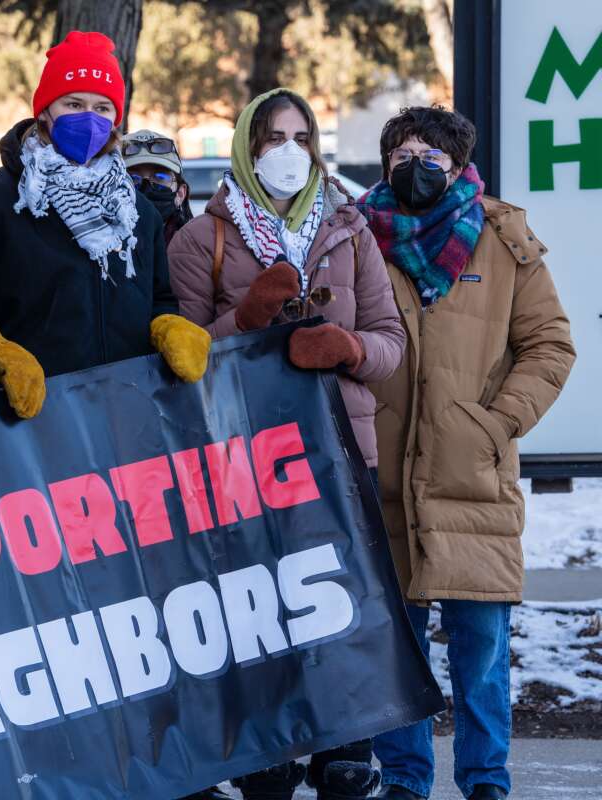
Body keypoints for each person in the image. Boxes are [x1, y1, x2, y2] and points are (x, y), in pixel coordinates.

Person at [167, 88, 405, 800]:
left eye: (301, 136)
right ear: (246, 144)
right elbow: (177, 363)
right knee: (259, 609)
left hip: (339, 451)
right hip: (245, 456)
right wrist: (242, 319)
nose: (288, 152)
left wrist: (347, 346)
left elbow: (392, 346)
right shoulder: (198, 240)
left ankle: (347, 747)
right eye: (272, 137)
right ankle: (266, 750)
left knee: (342, 605)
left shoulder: (350, 231)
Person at [359, 107, 574, 800]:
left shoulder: (503, 239)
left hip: (472, 480)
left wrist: (497, 423)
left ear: (458, 167)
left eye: (429, 154)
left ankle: (486, 782)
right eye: (401, 152)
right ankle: (404, 779)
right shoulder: (360, 237)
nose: (413, 165)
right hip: (384, 481)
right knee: (399, 654)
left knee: (481, 655)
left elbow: (550, 345)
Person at [0, 31, 212, 419]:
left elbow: (158, 297)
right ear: (45, 113)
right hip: (22, 424)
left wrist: (168, 326)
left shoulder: (135, 211)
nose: (89, 118)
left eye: (102, 108)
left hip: (125, 420)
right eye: (74, 103)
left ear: (116, 119)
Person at [122, 128, 193, 245]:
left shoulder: (196, 247)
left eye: (160, 177)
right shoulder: (95, 246)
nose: (146, 188)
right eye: (133, 178)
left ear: (180, 194)